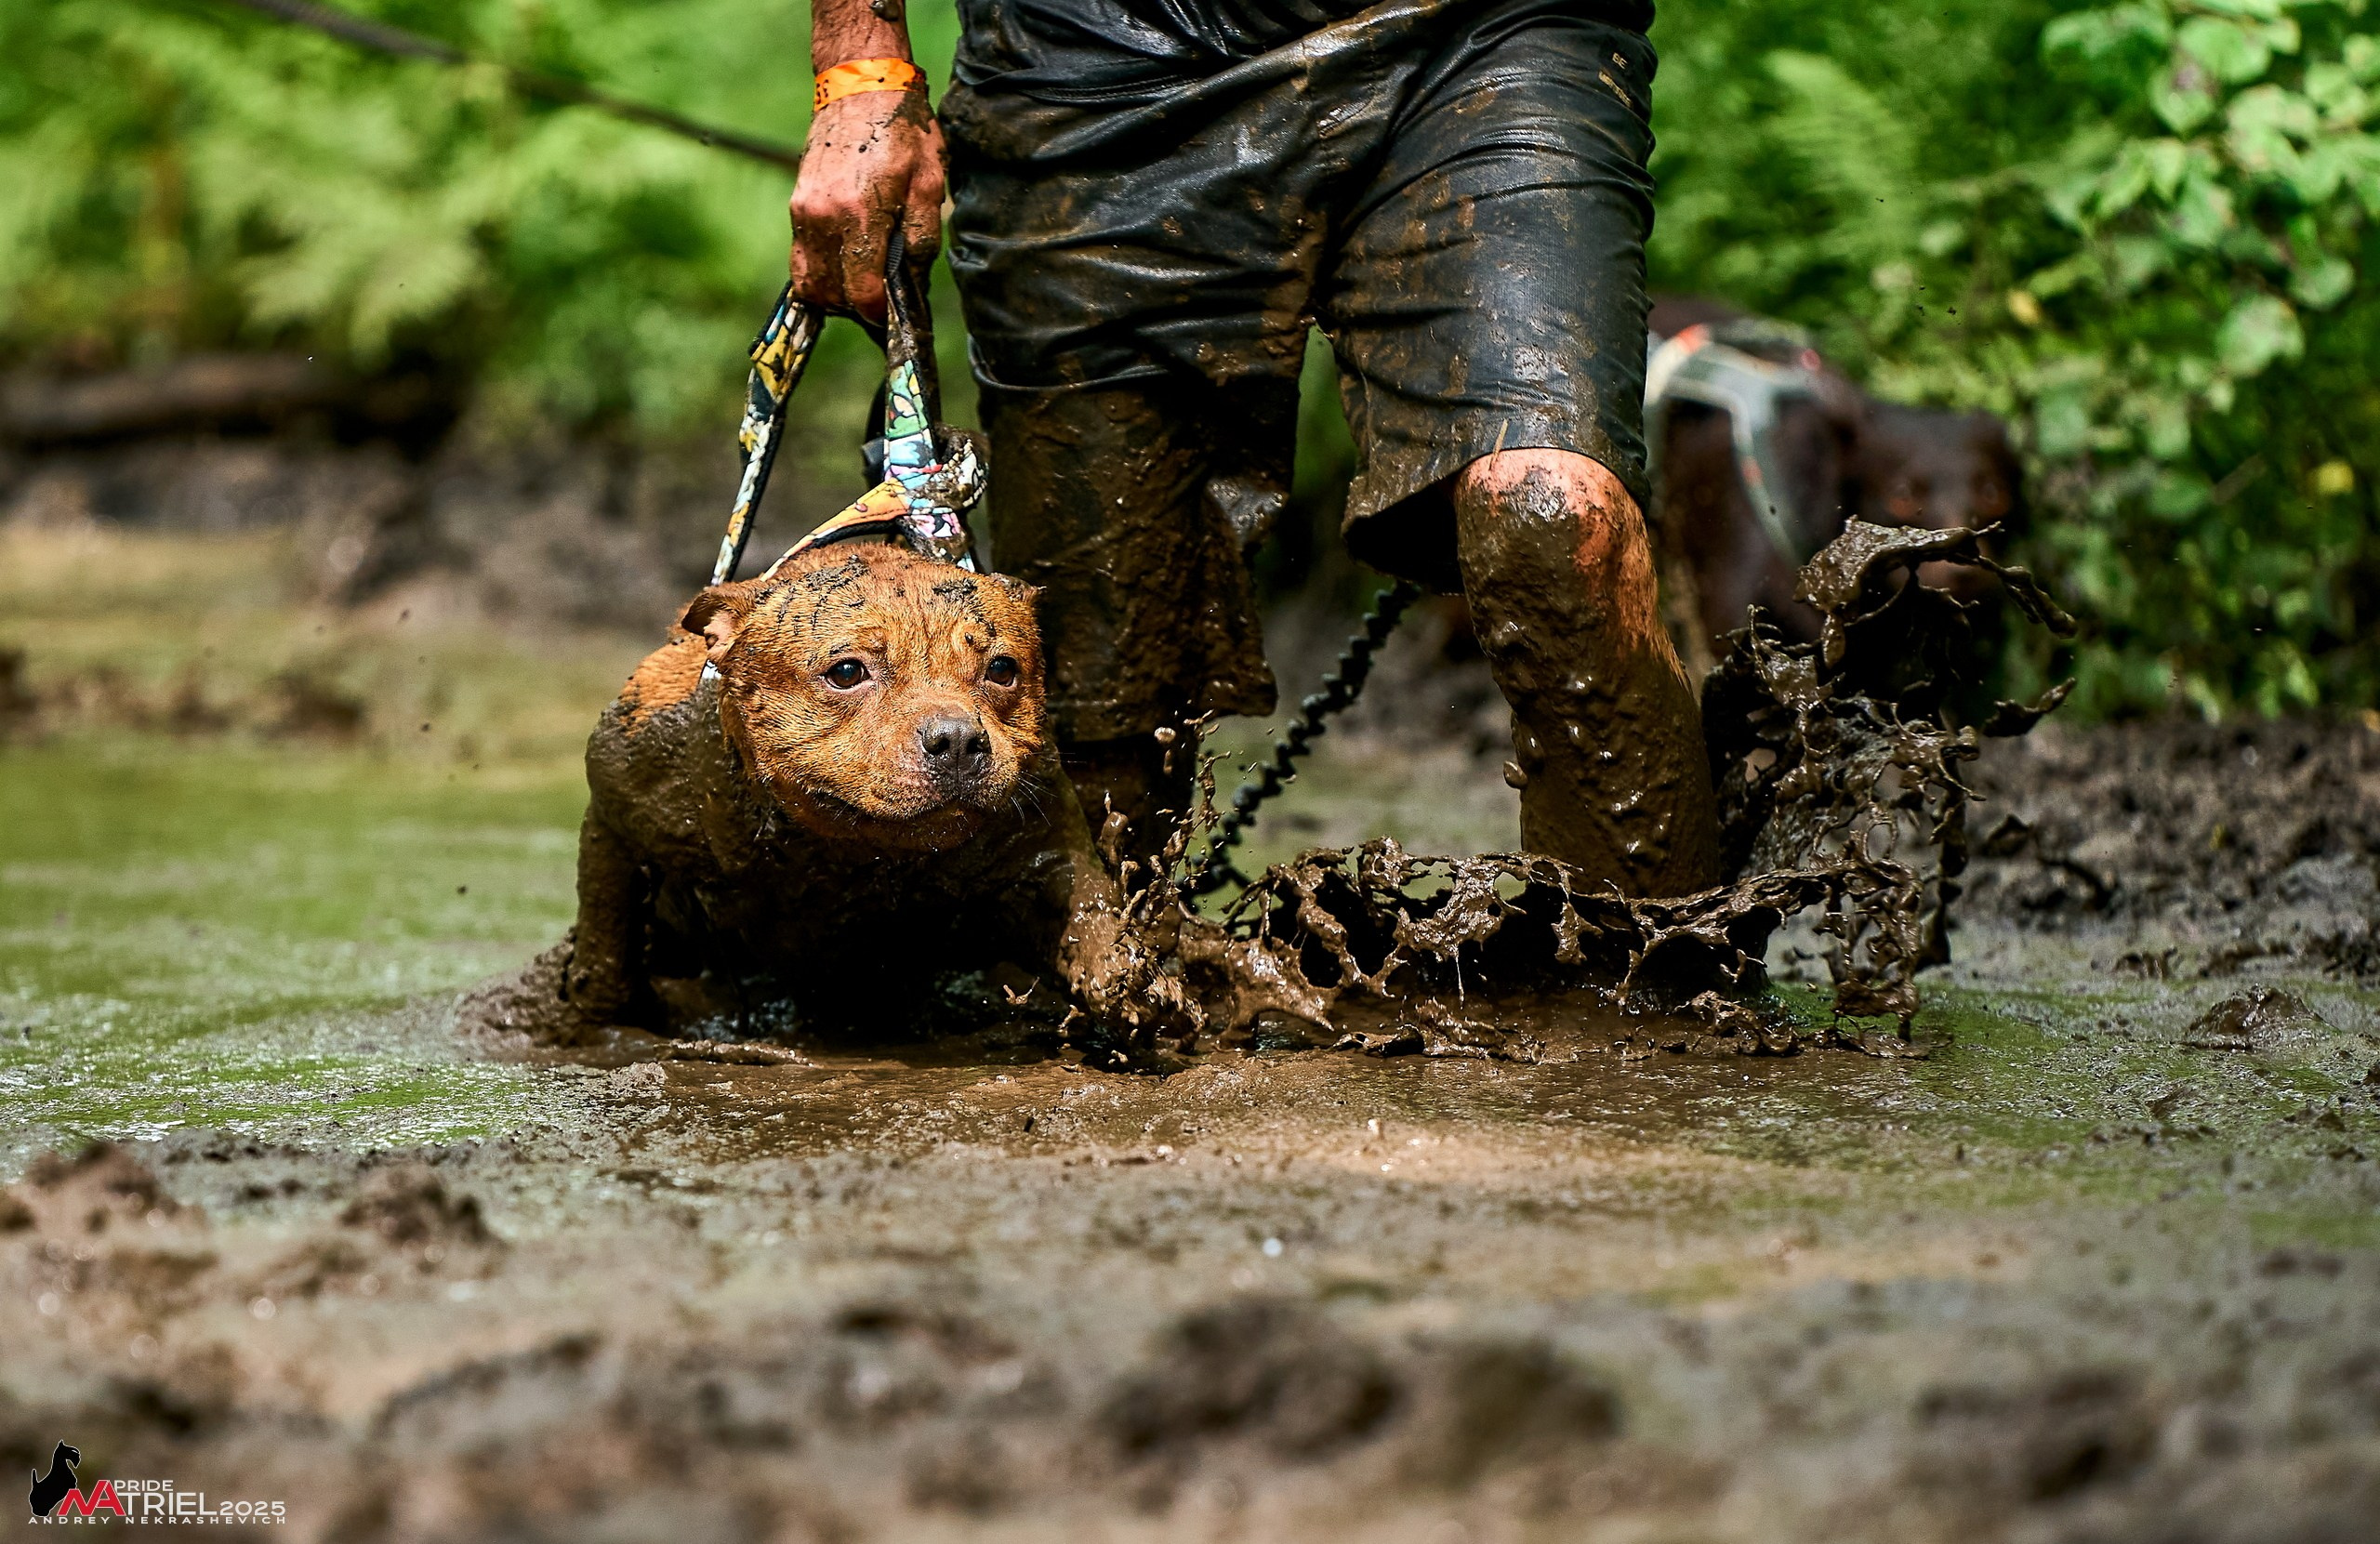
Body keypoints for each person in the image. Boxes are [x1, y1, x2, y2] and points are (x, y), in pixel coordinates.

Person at [787, 0, 1719, 896]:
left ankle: (1648, 1009)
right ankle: (1081, 1027)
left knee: (1556, 520)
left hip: (1491, 35)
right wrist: (861, 70)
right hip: (1087, 59)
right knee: (1100, 708)